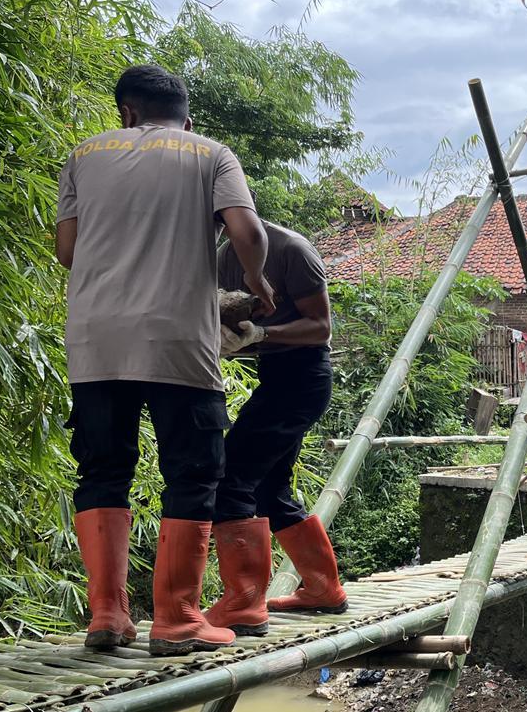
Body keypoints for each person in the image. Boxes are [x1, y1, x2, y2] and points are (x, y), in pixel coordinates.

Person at [55, 64, 275, 656]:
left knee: (102, 470)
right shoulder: (210, 152)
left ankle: (107, 614)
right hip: (178, 338)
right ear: (186, 117)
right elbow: (246, 230)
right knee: (193, 470)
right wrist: (254, 277)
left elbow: (67, 250)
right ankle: (176, 617)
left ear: (126, 112)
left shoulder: (82, 154)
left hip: (96, 340)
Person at [204, 215, 346, 638]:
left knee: (231, 478)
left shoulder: (292, 250)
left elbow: (321, 327)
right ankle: (323, 588)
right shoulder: (223, 259)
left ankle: (244, 604)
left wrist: (262, 335)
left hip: (303, 379)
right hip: (276, 377)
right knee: (269, 488)